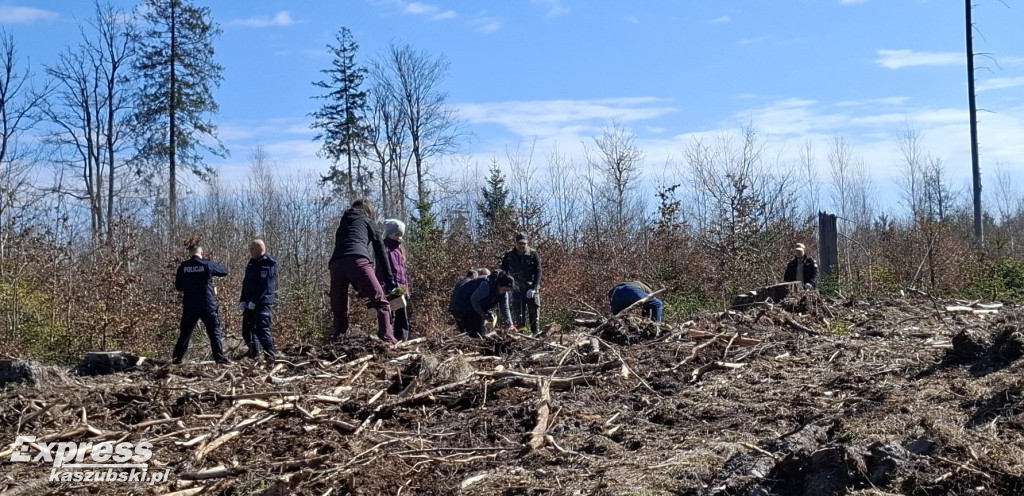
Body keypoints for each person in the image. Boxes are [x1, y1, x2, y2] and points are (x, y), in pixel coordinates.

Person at [329, 199, 397, 344]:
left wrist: (359, 286)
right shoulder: (367, 220)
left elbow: (345, 258)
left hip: (335, 265)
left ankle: (339, 341)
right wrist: (389, 279)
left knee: (340, 309)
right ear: (369, 212)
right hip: (358, 260)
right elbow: (380, 251)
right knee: (381, 302)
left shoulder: (342, 226)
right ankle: (388, 338)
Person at [172, 245, 230, 364]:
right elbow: (225, 271)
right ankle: (219, 359)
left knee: (185, 333)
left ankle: (176, 359)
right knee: (214, 332)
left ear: (189, 253)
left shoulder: (183, 267)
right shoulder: (207, 264)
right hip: (207, 304)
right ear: (202, 252)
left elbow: (178, 286)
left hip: (190, 305)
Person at [239, 239, 278, 360]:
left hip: (261, 303)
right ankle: (254, 356)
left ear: (260, 249)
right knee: (247, 331)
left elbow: (264, 286)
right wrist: (243, 300)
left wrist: (255, 301)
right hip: (249, 303)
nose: (250, 251)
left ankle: (271, 356)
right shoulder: (252, 263)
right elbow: (246, 283)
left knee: (262, 330)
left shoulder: (268, 263)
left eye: (252, 249)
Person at [451, 270, 517, 338]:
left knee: (479, 333)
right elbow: (474, 299)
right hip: (461, 305)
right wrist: (482, 313)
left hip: (473, 308)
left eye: (508, 290)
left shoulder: (503, 294)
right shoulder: (486, 285)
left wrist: (510, 324)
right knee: (471, 333)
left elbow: (505, 308)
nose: (505, 292)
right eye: (505, 290)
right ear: (499, 285)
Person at [378, 219, 411, 341]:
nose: (399, 238)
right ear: (389, 234)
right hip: (389, 288)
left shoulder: (399, 250)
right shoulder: (385, 250)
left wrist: (405, 290)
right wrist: (384, 286)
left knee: (402, 317)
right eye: (396, 234)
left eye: (401, 235)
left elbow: (403, 272)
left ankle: (403, 341)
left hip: (401, 289)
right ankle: (390, 340)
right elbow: (381, 271)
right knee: (390, 316)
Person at [501, 233, 541, 333]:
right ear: (516, 243)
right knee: (518, 316)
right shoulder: (509, 255)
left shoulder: (533, 253)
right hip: (516, 289)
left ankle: (535, 335)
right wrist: (507, 288)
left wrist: (534, 288)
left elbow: (538, 270)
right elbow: (504, 272)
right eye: (520, 243)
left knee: (534, 315)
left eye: (524, 243)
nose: (522, 245)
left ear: (527, 243)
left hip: (530, 288)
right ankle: (521, 338)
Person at [448, 269, 478, 334]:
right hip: (461, 309)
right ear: (473, 276)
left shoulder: (461, 282)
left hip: (454, 308)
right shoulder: (470, 283)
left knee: (462, 328)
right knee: (467, 329)